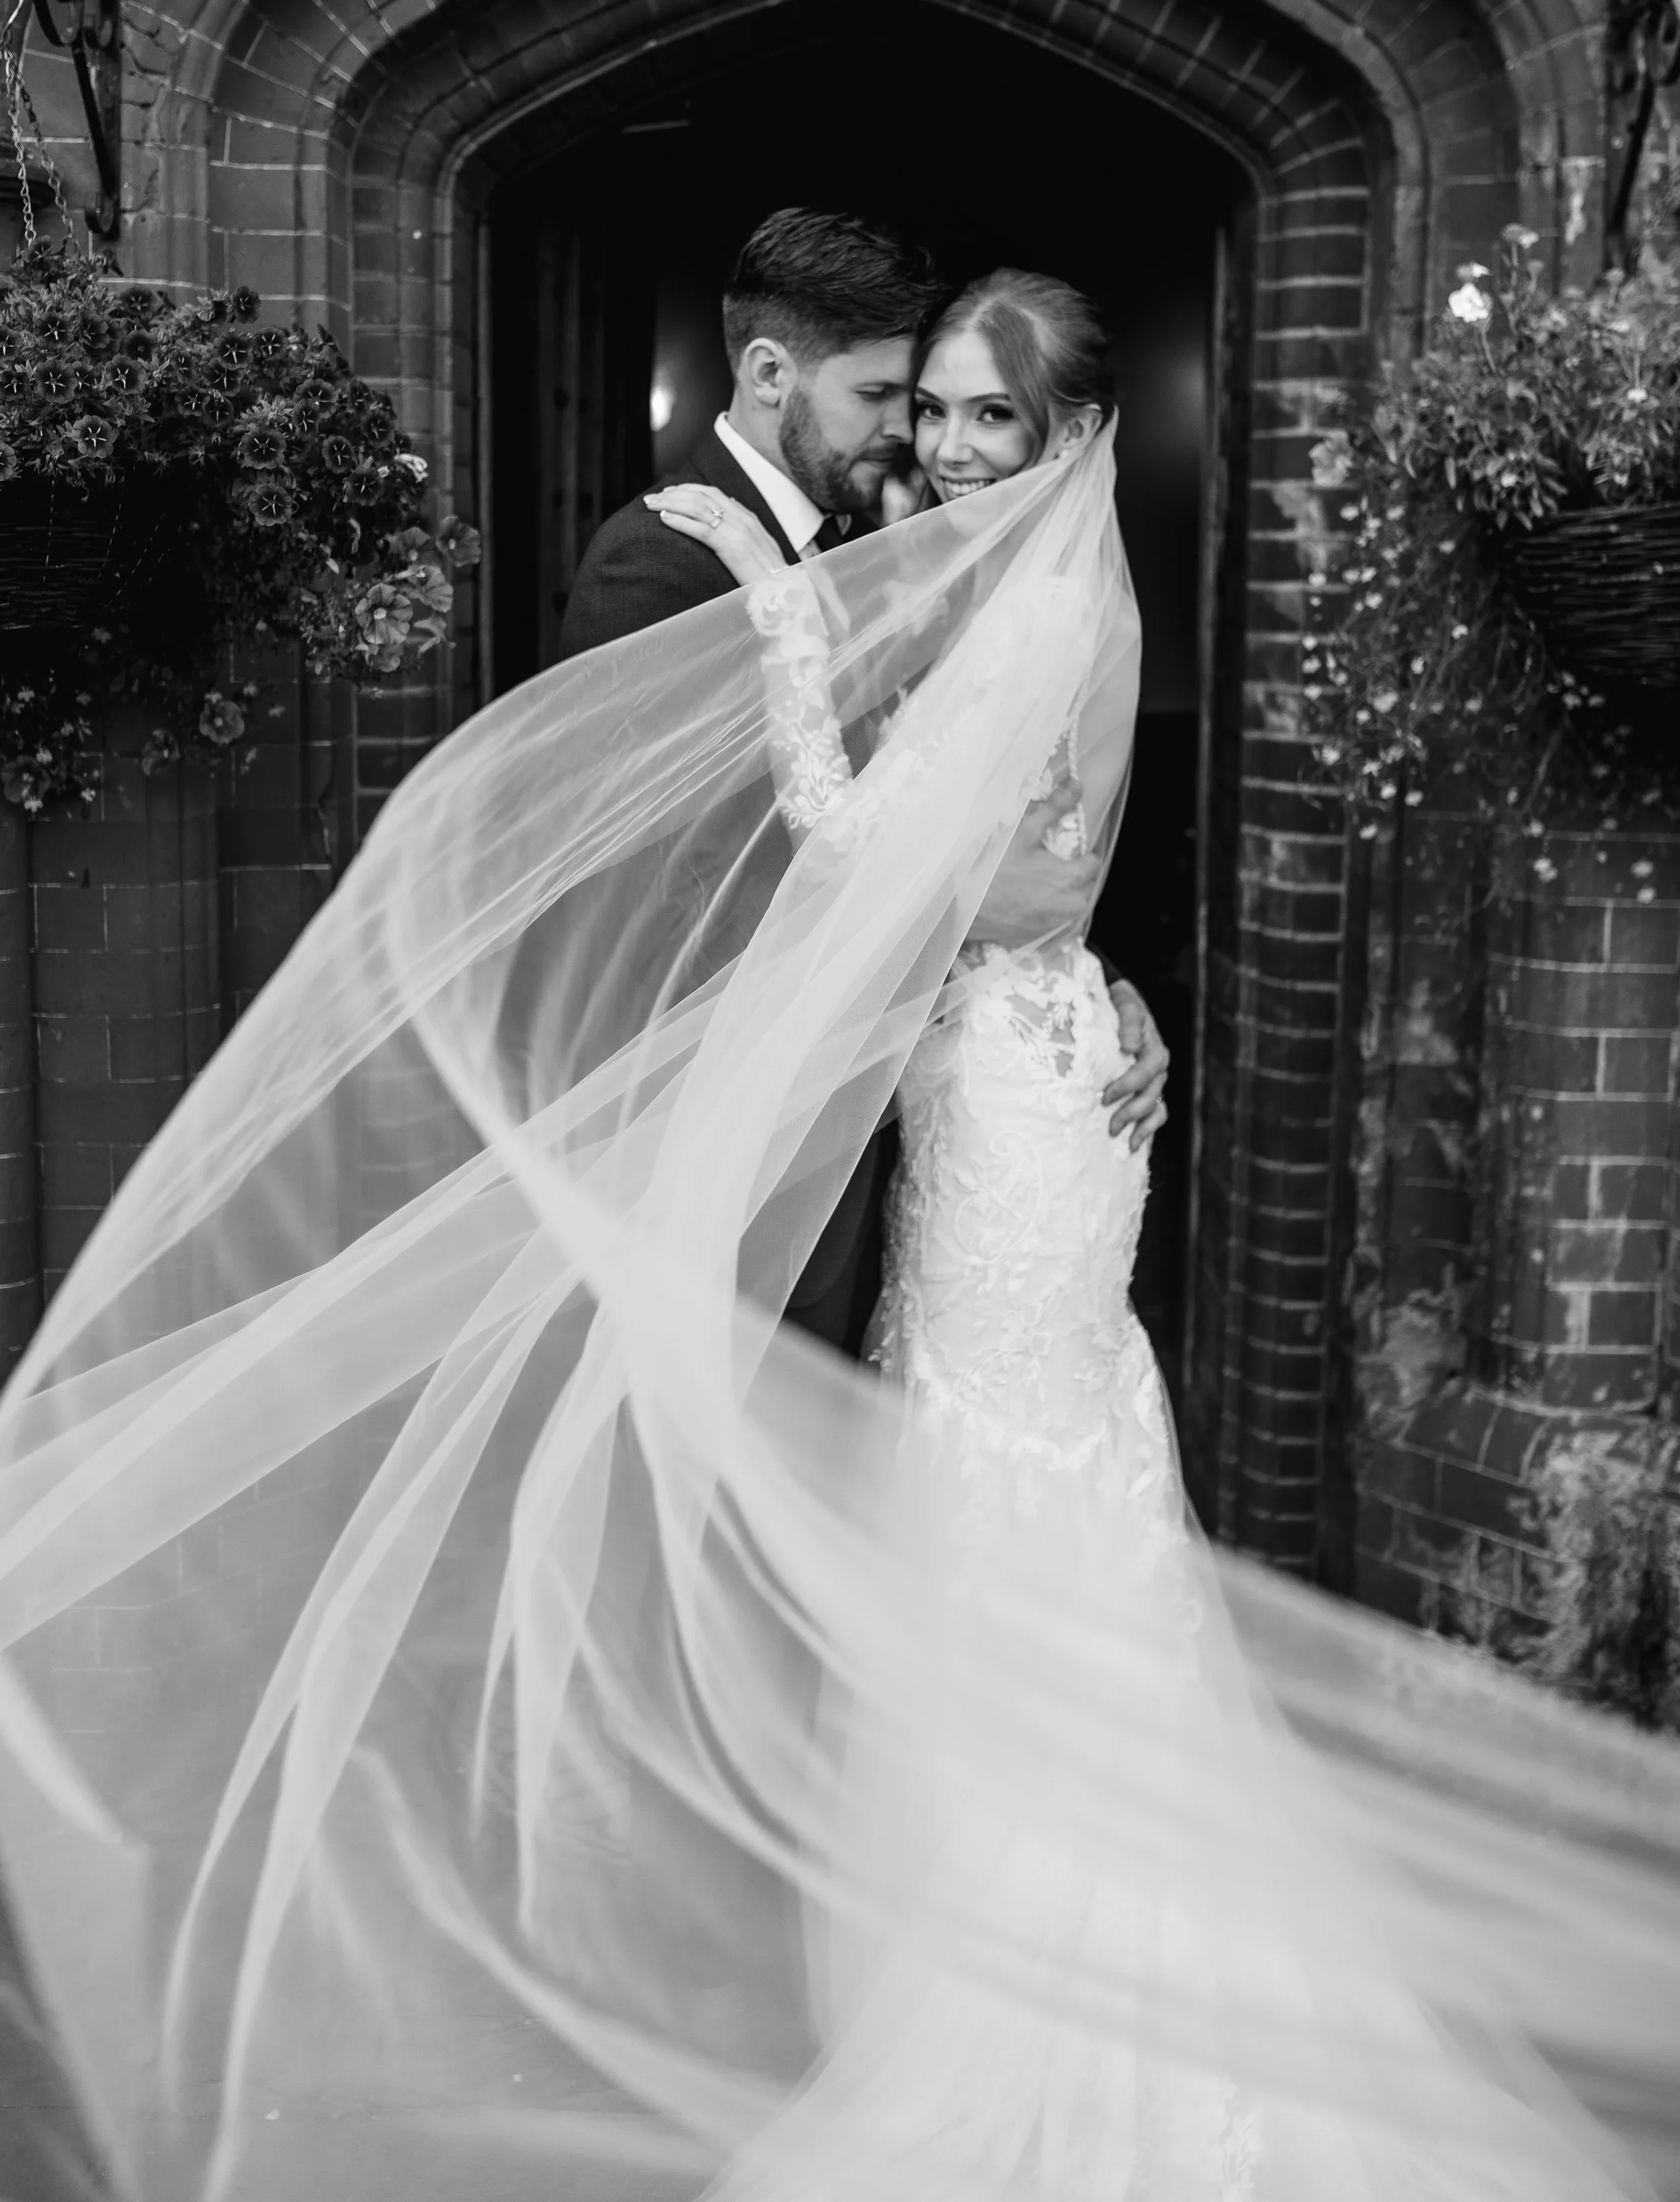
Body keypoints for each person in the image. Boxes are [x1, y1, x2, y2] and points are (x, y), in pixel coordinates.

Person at [0, 259, 1674, 2202]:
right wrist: (1082, 969)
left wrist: (796, 654)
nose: (946, 447)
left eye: (986, 417)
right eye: (934, 406)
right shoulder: (1011, 577)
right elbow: (1033, 877)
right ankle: (965, 1937)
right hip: (1014, 1075)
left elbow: (962, 869)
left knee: (997, 1495)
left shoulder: (1037, 598)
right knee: (1009, 1484)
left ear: (1069, 438)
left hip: (1008, 1110)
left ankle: (1054, 1988)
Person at [563, 207, 1169, 1357]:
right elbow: (641, 896)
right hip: (738, 1143)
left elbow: (1006, 827)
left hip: (917, 1102)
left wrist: (1082, 980)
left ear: (1068, 430)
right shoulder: (661, 564)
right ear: (770, 373)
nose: (921, 440)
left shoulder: (885, 565)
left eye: (970, 410)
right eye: (897, 401)